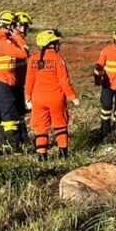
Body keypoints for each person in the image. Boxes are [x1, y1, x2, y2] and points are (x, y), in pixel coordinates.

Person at [25, 29, 79, 161]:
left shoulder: (33, 58)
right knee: (60, 125)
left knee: (40, 128)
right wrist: (73, 97)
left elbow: (29, 80)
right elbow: (64, 81)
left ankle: (42, 156)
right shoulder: (57, 58)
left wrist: (28, 98)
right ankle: (63, 155)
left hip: (38, 99)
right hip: (56, 98)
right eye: (56, 42)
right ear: (51, 44)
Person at [0, 10, 29, 156]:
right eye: (13, 25)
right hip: (1, 83)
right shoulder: (2, 43)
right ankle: (15, 148)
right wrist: (18, 38)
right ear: (7, 25)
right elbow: (24, 53)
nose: (15, 27)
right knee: (10, 115)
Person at [10, 11, 33, 147]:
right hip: (12, 81)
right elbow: (25, 54)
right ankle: (14, 138)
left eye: (25, 26)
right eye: (21, 26)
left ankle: (22, 136)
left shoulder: (16, 38)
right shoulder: (16, 39)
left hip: (19, 80)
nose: (23, 29)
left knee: (19, 111)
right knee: (14, 111)